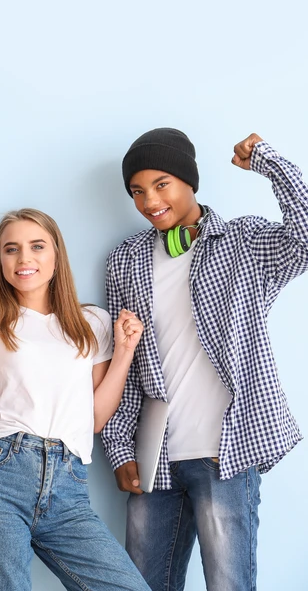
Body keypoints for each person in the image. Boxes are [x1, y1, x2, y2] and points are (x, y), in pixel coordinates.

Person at [101, 129, 308, 590]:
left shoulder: (244, 242)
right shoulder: (125, 260)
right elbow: (125, 361)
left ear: (190, 181)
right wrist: (119, 449)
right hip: (156, 460)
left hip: (227, 454)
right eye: (137, 190)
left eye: (162, 183)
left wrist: (269, 163)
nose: (149, 200)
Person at [0, 210, 149, 591]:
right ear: (1, 263)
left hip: (70, 485)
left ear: (56, 256)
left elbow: (95, 418)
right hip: (3, 476)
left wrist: (124, 353)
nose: (24, 259)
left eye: (36, 247)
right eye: (11, 250)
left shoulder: (92, 323)